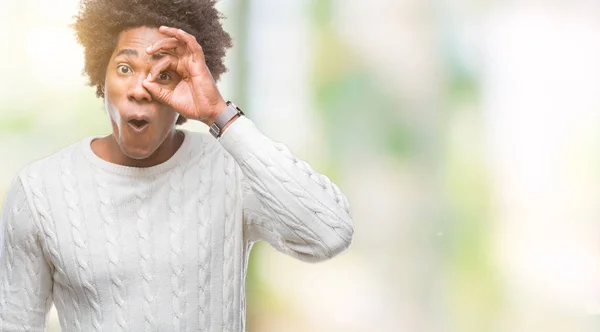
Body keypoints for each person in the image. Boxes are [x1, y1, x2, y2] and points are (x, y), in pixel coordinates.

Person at [0, 0, 354, 331]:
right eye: (125, 68)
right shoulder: (39, 191)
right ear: (101, 76)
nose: (141, 88)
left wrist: (221, 115)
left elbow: (329, 234)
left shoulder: (231, 170)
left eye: (164, 74)